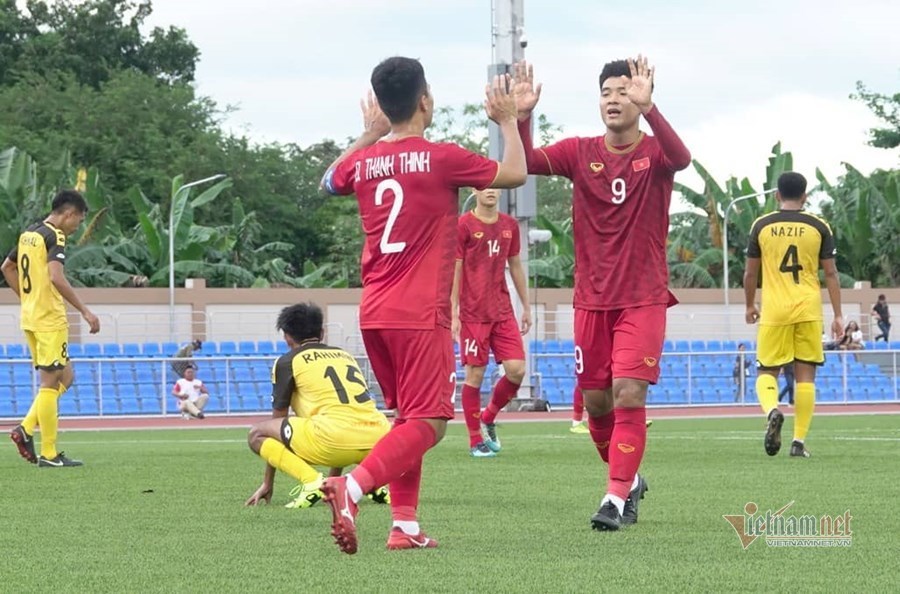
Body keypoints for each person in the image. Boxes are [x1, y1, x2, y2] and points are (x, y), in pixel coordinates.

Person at [318, 56, 526, 554]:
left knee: (406, 419)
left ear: (383, 109)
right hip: (420, 313)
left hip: (376, 313)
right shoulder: (441, 157)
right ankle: (350, 488)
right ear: (426, 101)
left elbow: (328, 180)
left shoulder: (362, 163)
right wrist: (508, 121)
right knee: (429, 423)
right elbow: (515, 173)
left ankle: (405, 526)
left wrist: (369, 135)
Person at [513, 57, 690, 531]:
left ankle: (613, 499)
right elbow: (527, 161)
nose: (614, 99)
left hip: (643, 297)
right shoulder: (579, 151)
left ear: (640, 98)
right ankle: (629, 482)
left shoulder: (655, 154)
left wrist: (652, 109)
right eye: (608, 92)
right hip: (590, 300)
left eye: (624, 92)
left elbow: (683, 158)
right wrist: (524, 116)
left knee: (628, 393)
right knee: (596, 405)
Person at [244, 302, 392, 510]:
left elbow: (277, 420)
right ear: (322, 333)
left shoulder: (287, 362)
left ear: (287, 337)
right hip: (379, 441)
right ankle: (371, 480)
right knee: (336, 419)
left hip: (333, 439)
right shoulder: (344, 355)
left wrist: (268, 482)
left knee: (256, 433)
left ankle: (311, 481)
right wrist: (332, 482)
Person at [744, 171, 844, 460]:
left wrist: (750, 305)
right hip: (808, 308)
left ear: (777, 195)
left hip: (775, 309)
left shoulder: (761, 225)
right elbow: (831, 273)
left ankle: (773, 410)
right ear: (805, 196)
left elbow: (751, 272)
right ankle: (798, 443)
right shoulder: (818, 226)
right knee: (805, 376)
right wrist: (838, 314)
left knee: (767, 371)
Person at [2, 190, 101, 467]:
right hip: (49, 320)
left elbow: (7, 267)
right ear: (69, 214)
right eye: (79, 221)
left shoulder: (29, 234)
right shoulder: (54, 236)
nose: (77, 227)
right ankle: (49, 454)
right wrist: (85, 310)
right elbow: (56, 277)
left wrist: (28, 299)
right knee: (49, 384)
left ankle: (25, 427)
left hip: (31, 318)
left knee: (66, 376)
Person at [451, 187, 532, 458]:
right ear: (475, 191)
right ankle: (475, 441)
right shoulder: (463, 225)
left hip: (503, 311)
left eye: (495, 187)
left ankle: (489, 416)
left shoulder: (509, 225)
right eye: (484, 187)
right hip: (473, 313)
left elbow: (516, 266)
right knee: (475, 375)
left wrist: (526, 306)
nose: (490, 191)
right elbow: (456, 269)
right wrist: (453, 312)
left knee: (517, 370)